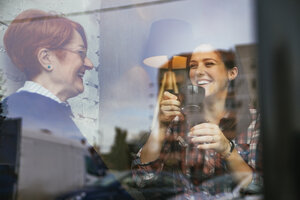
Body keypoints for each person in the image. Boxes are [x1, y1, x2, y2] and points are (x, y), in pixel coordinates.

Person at [132, 44, 261, 198]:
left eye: (209, 63)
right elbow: (142, 179)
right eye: (193, 66)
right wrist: (160, 126)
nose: (199, 72)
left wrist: (228, 150)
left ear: (231, 73)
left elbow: (259, 187)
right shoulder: (179, 117)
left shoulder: (255, 120)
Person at [1, 9, 94, 140]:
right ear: (46, 59)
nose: (90, 64)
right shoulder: (19, 113)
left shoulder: (41, 113)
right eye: (80, 53)